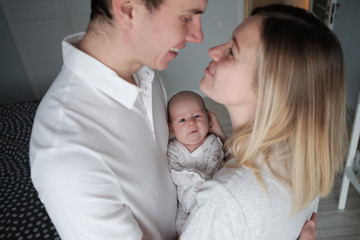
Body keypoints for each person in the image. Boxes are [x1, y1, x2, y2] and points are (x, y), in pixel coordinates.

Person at [29, 0, 318, 238]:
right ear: (129, 8)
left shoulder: (147, 78)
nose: (198, 36)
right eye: (186, 17)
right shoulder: (66, 152)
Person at [180, 4, 347, 240]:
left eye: (232, 51)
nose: (213, 51)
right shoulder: (303, 167)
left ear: (271, 91)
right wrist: (228, 150)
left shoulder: (223, 201)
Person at [167, 91, 225, 234]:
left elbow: (214, 166)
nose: (191, 122)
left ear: (208, 119)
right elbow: (175, 171)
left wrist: (201, 183)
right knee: (181, 227)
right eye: (182, 120)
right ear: (171, 129)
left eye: (197, 116)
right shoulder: (173, 148)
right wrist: (196, 180)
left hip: (210, 196)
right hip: (184, 201)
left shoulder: (213, 142)